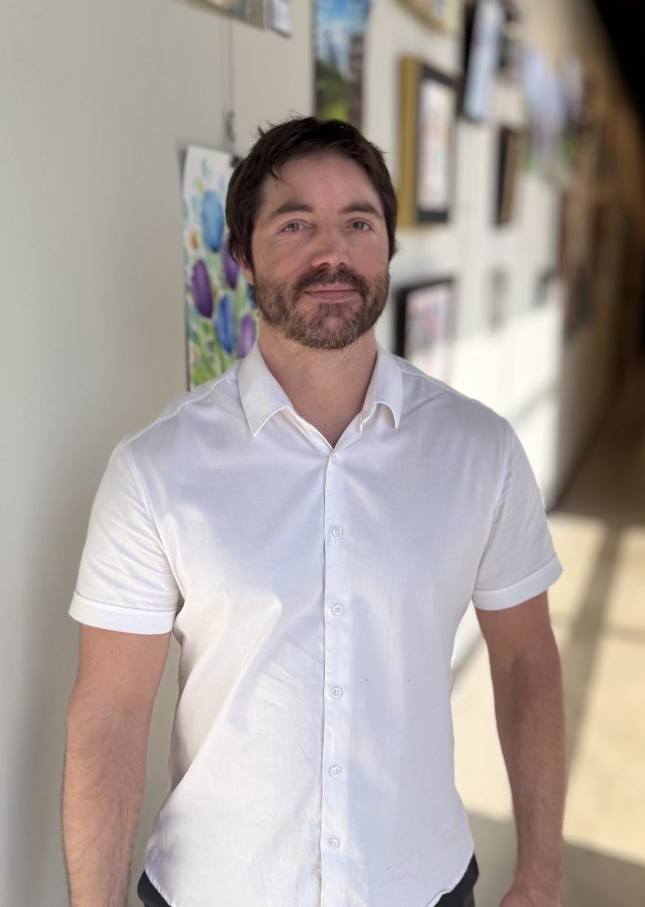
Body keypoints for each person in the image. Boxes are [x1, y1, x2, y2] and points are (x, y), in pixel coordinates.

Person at [63, 116, 565, 907]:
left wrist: (541, 868)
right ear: (242, 254)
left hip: (418, 883)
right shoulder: (156, 469)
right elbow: (112, 711)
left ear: (387, 248)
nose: (331, 253)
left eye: (357, 223)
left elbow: (525, 659)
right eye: (295, 224)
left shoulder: (480, 451)